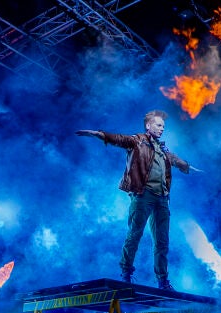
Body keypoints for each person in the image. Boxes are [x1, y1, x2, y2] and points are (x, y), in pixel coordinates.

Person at [76, 109, 199, 290]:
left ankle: (163, 281)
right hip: (144, 195)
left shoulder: (163, 149)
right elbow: (119, 139)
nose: (162, 128)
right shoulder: (138, 141)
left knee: (162, 241)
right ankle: (126, 273)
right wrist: (99, 134)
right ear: (148, 126)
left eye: (163, 126)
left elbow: (176, 160)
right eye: (158, 125)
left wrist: (189, 167)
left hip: (162, 198)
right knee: (135, 234)